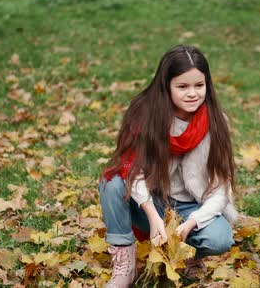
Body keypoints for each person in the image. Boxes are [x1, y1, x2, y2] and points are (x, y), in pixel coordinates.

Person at [99, 45, 238, 287]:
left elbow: (220, 189)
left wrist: (193, 221)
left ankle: (191, 255)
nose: (192, 93)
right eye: (182, 87)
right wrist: (152, 215)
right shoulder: (146, 115)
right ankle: (125, 263)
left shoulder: (216, 122)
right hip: (152, 201)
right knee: (112, 182)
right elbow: (133, 170)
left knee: (220, 238)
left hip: (191, 207)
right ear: (166, 86)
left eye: (199, 85)